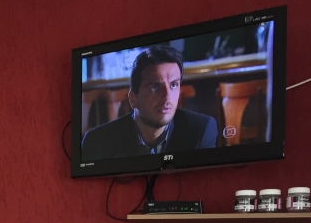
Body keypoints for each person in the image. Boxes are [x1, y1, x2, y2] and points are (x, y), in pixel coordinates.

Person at [81, 45, 217, 161]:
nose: (167, 96)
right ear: (133, 99)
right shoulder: (97, 142)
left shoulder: (201, 131)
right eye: (155, 88)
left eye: (174, 85)